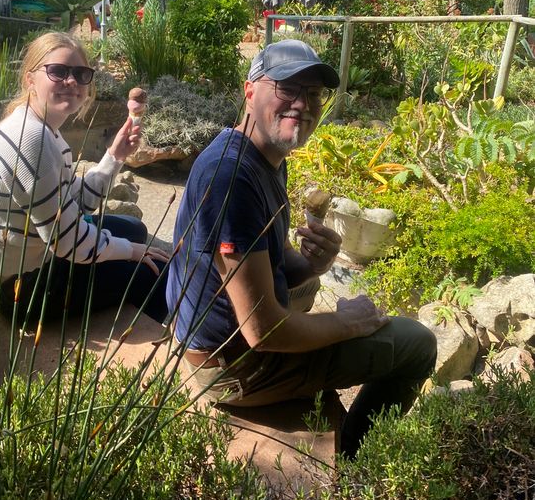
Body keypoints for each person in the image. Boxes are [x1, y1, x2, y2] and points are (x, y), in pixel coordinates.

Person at [165, 39, 437, 459]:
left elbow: (274, 271)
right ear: (250, 91)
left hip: (226, 338)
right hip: (232, 370)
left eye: (313, 94)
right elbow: (262, 330)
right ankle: (356, 456)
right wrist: (347, 323)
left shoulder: (266, 154)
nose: (303, 104)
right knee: (416, 342)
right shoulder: (231, 178)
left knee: (310, 291)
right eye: (288, 89)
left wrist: (314, 264)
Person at [0, 31, 168, 324]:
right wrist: (132, 252)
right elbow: (69, 243)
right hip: (19, 288)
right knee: (155, 271)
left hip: (31, 259)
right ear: (30, 79)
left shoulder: (42, 128)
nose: (71, 81)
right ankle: (151, 341)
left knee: (134, 228)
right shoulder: (31, 139)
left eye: (81, 73)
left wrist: (115, 155)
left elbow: (77, 201)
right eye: (58, 72)